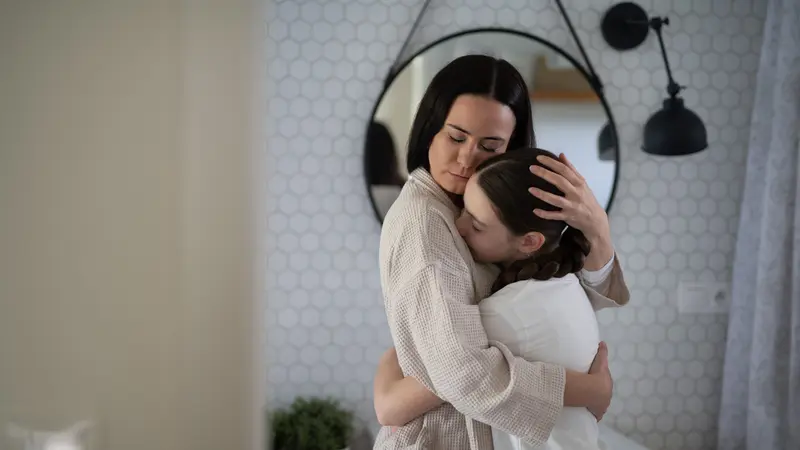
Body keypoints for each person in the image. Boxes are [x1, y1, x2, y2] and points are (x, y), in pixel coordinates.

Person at [373, 54, 630, 450]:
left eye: (489, 146)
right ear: (430, 130)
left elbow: (552, 301)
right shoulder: (426, 223)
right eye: (455, 137)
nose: (465, 159)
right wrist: (586, 391)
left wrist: (597, 229)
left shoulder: (481, 207)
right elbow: (463, 372)